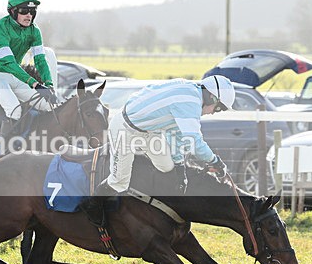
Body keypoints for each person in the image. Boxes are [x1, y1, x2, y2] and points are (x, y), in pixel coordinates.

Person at [96, 75, 236, 197]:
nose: (213, 113)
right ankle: (92, 204)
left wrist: (180, 168)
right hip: (123, 129)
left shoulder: (190, 92)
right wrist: (215, 161)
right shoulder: (190, 103)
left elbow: (176, 135)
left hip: (149, 132)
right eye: (218, 108)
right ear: (211, 98)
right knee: (119, 182)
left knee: (167, 167)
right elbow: (194, 142)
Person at [0, 0, 58, 136]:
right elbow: (8, 63)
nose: (29, 15)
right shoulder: (1, 28)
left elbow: (40, 60)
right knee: (14, 110)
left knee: (48, 105)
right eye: (24, 11)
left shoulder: (34, 31)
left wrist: (48, 84)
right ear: (13, 11)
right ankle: (2, 145)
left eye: (32, 11)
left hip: (15, 75)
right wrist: (35, 84)